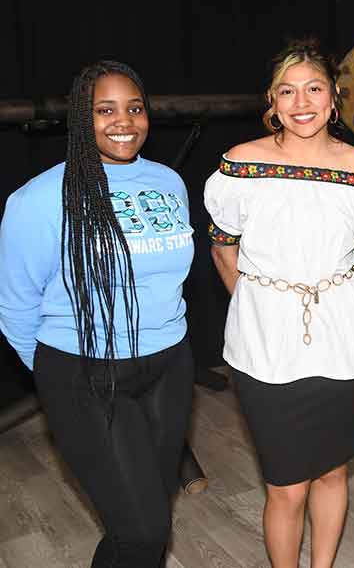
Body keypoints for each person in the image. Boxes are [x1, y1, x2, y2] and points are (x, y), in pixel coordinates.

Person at [0, 61, 196, 567]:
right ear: (79, 118)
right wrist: (57, 377)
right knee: (144, 529)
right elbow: (16, 305)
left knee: (145, 519)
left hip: (169, 366)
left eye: (134, 108)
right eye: (103, 110)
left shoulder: (169, 182)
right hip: (84, 373)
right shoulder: (39, 200)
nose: (123, 121)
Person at [204, 40, 354, 568]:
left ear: (334, 99)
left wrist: (320, 298)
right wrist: (263, 308)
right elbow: (223, 247)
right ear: (272, 100)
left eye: (313, 88)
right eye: (288, 91)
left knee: (332, 470)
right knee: (286, 485)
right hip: (265, 347)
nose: (301, 101)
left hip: (339, 342)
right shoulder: (242, 164)